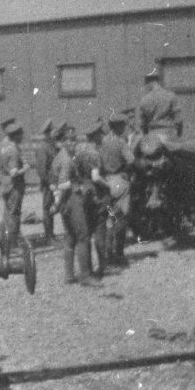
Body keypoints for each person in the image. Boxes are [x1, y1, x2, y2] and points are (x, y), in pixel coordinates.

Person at [51, 122, 101, 286]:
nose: (72, 142)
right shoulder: (66, 160)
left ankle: (69, 275)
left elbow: (52, 182)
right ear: (62, 141)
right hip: (72, 200)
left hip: (65, 201)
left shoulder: (59, 156)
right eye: (69, 140)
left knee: (70, 237)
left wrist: (57, 201)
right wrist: (78, 185)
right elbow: (62, 184)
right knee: (83, 235)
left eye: (74, 139)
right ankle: (85, 275)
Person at [99, 113, 134, 267]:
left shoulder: (102, 141)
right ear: (118, 126)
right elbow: (131, 160)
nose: (125, 128)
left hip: (104, 181)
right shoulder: (120, 142)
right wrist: (126, 171)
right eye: (123, 125)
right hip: (119, 180)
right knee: (121, 219)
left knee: (109, 220)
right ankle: (118, 254)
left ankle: (107, 256)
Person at [76, 120, 108, 280]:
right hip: (96, 194)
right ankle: (102, 267)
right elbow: (96, 177)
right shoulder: (95, 153)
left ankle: (87, 269)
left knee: (86, 233)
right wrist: (108, 185)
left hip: (83, 193)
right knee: (100, 231)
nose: (102, 136)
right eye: (100, 134)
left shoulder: (79, 150)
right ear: (95, 136)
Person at [0, 118, 28, 251]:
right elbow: (14, 172)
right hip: (14, 185)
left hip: (4, 183)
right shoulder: (13, 149)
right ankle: (13, 245)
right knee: (14, 215)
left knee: (7, 214)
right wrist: (25, 168)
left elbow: (0, 166)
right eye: (20, 133)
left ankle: (5, 242)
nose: (22, 136)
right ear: (15, 135)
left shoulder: (1, 146)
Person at [137, 70, 182, 140]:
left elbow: (142, 124)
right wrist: (178, 135)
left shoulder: (144, 100)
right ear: (158, 81)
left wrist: (147, 136)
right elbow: (178, 119)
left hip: (152, 135)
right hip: (169, 134)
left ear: (149, 82)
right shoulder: (171, 96)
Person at [34, 118, 58, 242]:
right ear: (48, 132)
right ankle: (49, 236)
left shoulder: (51, 145)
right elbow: (41, 170)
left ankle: (51, 234)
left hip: (53, 182)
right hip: (48, 184)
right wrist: (49, 183)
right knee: (47, 209)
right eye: (53, 130)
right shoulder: (43, 148)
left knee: (51, 208)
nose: (55, 132)